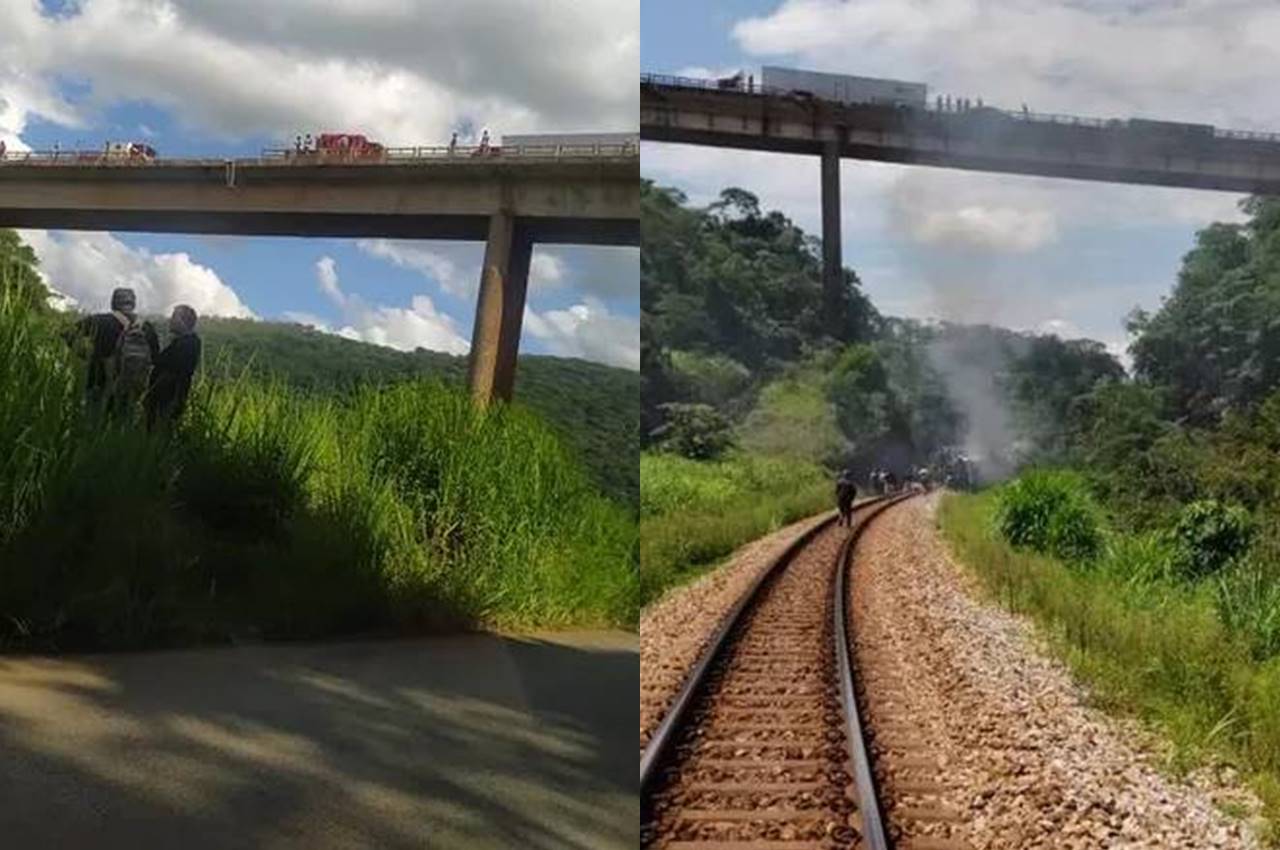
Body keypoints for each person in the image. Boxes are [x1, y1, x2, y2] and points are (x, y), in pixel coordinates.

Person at [70, 287, 155, 417]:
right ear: (133, 303)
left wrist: (83, 353)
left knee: (93, 425)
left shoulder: (100, 321)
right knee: (121, 429)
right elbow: (154, 357)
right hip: (131, 388)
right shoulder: (146, 327)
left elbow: (67, 332)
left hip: (99, 382)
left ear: (113, 303)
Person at [145, 304, 201, 430]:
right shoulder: (187, 342)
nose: (170, 320)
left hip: (167, 401)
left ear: (182, 321)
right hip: (167, 400)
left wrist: (152, 341)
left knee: (158, 434)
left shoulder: (188, 344)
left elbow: (163, 364)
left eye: (174, 317)